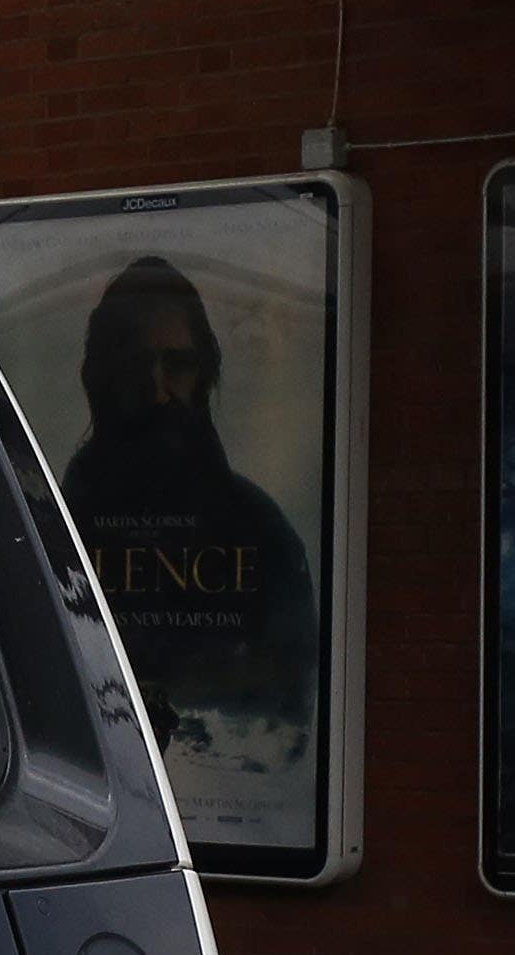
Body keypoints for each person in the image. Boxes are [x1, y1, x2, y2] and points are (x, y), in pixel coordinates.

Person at [54, 256, 317, 748]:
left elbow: (287, 721)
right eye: (134, 364)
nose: (157, 391)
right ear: (101, 378)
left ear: (204, 374)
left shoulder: (262, 533)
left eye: (177, 364)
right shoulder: (53, 530)